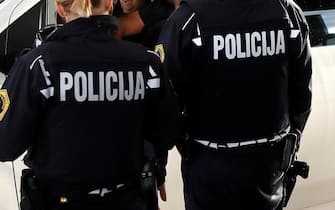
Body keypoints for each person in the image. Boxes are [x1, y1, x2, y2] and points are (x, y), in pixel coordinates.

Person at [0, 0, 181, 210]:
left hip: (61, 200)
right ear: (109, 4)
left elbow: (5, 146)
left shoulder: (38, 66)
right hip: (127, 199)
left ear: (59, 7)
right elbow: (167, 133)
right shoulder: (147, 63)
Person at [156, 0, 312, 209]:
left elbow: (165, 100)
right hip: (268, 167)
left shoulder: (188, 19)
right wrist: (291, 136)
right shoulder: (288, 13)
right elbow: (302, 95)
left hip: (209, 165)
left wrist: (177, 145)